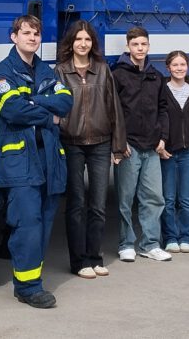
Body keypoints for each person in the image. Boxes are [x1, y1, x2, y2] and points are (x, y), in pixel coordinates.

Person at [0, 15, 74, 308]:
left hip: (48, 160)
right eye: (26, 33)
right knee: (28, 223)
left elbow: (66, 101)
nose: (32, 38)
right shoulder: (2, 73)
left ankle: (30, 280)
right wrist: (48, 113)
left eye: (36, 33)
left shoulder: (46, 70)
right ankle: (27, 287)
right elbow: (12, 110)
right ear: (14, 37)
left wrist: (33, 101)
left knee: (46, 222)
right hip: (19, 163)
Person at [55, 20, 128, 279]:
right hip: (72, 143)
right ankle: (78, 261)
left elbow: (114, 108)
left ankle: (95, 257)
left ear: (92, 44)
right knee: (75, 204)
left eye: (87, 40)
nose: (83, 44)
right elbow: (55, 107)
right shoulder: (61, 71)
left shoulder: (103, 69)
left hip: (100, 143)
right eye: (78, 39)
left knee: (97, 205)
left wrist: (118, 146)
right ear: (71, 43)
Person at [112, 26, 173, 262]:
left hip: (152, 147)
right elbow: (113, 112)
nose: (140, 48)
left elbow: (163, 109)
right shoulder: (117, 75)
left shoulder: (155, 76)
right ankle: (126, 243)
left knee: (154, 197)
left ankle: (149, 244)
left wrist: (162, 138)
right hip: (129, 147)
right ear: (128, 47)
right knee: (125, 199)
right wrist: (119, 143)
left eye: (143, 44)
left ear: (148, 46)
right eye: (135, 44)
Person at [159, 51, 189, 254]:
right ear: (167, 67)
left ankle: (186, 236)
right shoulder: (162, 91)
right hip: (168, 152)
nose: (179, 68)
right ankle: (170, 237)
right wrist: (160, 144)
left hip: (188, 152)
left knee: (186, 198)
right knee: (168, 198)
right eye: (175, 65)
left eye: (183, 64)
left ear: (188, 67)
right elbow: (158, 118)